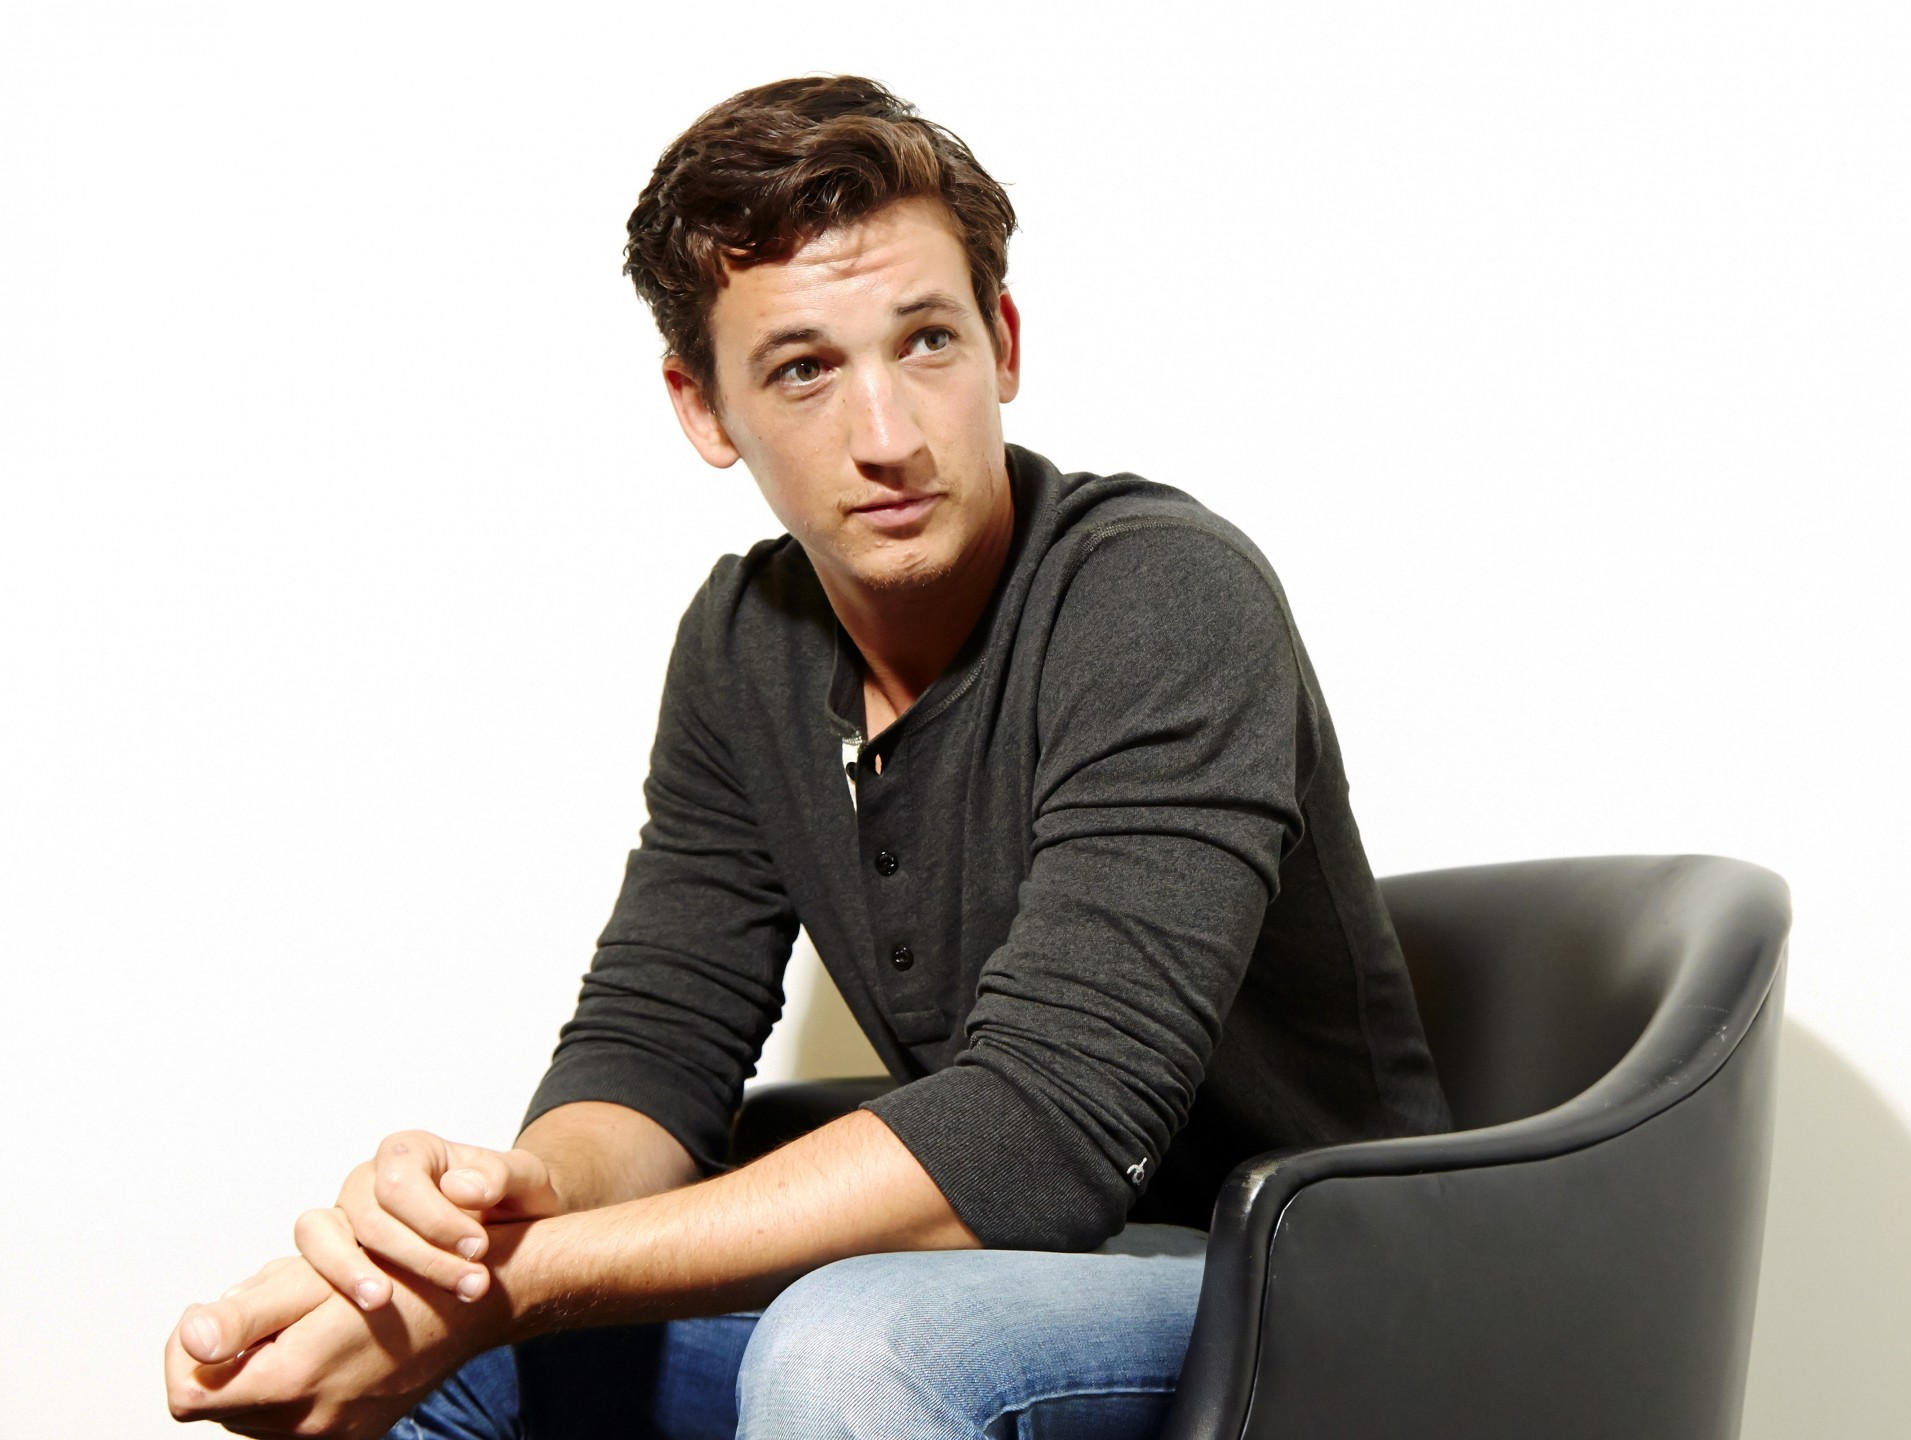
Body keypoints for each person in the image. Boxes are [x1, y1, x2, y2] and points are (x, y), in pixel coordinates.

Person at [162, 73, 1449, 1440]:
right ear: (705, 409)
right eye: (803, 370)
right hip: (1028, 1270)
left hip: (1313, 1280)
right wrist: (484, 1234)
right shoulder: (745, 643)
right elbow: (654, 1046)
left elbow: (1045, 1134)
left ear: (1004, 343)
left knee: (853, 1350)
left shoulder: (1160, 595)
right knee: (447, 1354)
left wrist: (527, 1284)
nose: (888, 438)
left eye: (928, 342)